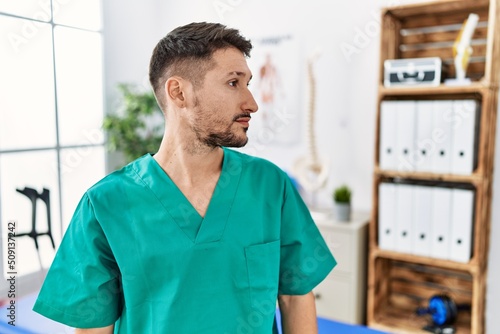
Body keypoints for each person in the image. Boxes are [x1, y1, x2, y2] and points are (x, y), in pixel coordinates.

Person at [33, 22, 336, 334]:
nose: (252, 103)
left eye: (248, 84)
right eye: (233, 83)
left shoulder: (270, 186)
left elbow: (295, 296)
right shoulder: (105, 204)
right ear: (178, 92)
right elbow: (94, 327)